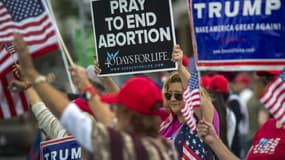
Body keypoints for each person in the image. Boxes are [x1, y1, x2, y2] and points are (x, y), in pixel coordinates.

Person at [13, 33, 178, 160]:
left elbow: (71, 117)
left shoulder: (127, 147)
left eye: (117, 107)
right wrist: (86, 87)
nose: (114, 111)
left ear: (130, 116)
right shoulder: (165, 147)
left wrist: (32, 75)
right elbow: (109, 121)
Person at [197, 70, 285, 160]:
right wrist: (214, 141)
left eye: (273, 82)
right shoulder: (267, 127)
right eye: (265, 81)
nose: (266, 88)